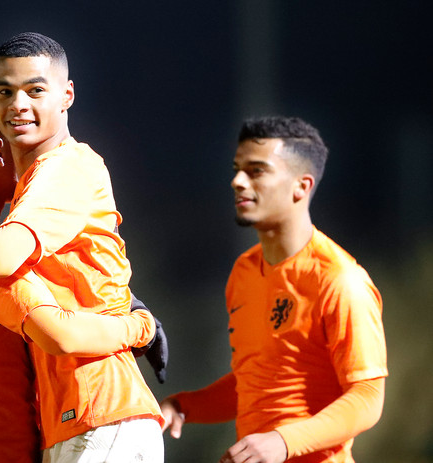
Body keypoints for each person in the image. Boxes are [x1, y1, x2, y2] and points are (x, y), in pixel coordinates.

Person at [0, 33, 165, 462]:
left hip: (97, 412)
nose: (18, 106)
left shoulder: (58, 172)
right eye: (5, 93)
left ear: (67, 95)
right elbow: (48, 325)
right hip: (35, 431)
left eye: (35, 90)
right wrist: (141, 326)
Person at [160, 116, 387, 463]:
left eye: (256, 171)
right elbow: (254, 381)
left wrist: (283, 441)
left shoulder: (340, 280)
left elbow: (368, 396)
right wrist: (184, 406)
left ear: (301, 186)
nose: (237, 181)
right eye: (237, 170)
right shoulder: (244, 271)